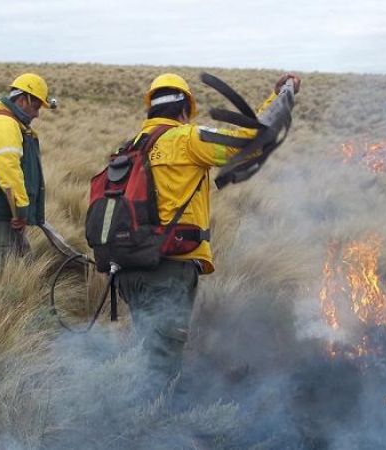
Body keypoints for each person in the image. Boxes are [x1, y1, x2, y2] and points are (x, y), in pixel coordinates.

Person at [115, 72, 301, 385]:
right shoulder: (186, 139)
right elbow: (249, 141)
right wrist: (280, 96)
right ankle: (150, 427)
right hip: (168, 268)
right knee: (162, 363)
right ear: (184, 109)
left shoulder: (130, 147)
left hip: (128, 271)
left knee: (146, 350)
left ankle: (130, 415)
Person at [0, 73, 51, 268]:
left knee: (21, 270)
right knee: (2, 280)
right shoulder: (4, 124)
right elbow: (9, 170)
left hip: (7, 215)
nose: (37, 114)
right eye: (36, 106)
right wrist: (20, 210)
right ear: (23, 100)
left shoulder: (14, 124)